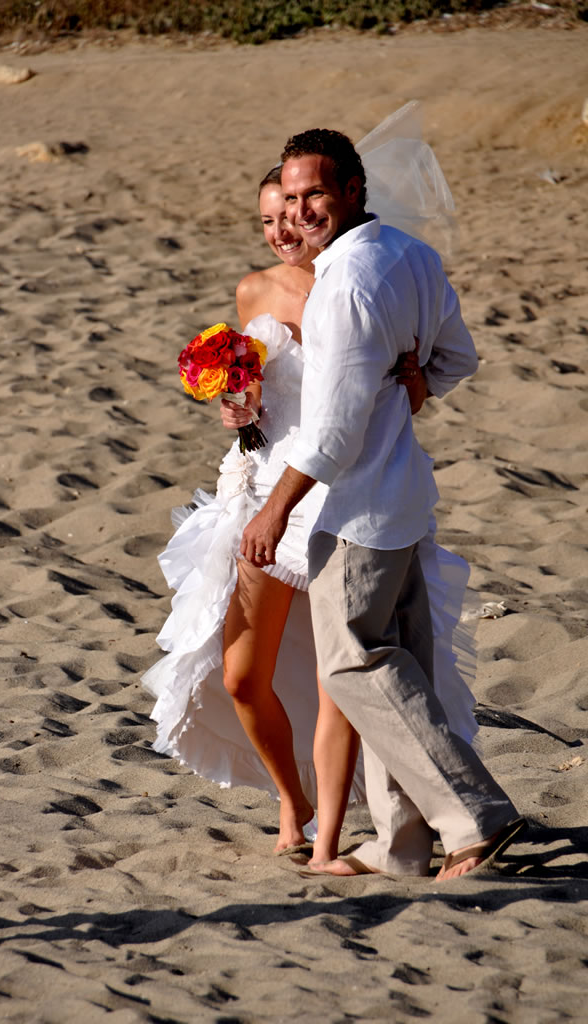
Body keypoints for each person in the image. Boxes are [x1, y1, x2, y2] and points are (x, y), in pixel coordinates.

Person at [142, 107, 481, 864]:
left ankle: (327, 840)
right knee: (239, 675)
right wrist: (239, 405)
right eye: (271, 216)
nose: (283, 229)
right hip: (264, 488)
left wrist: (416, 383)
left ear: (347, 196)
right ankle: (292, 807)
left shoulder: (348, 288)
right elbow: (262, 405)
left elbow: (362, 408)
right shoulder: (255, 292)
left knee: (342, 682)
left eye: (295, 211)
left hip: (328, 501)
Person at [240, 127, 525, 881]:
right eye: (290, 197)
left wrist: (273, 512)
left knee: (358, 670)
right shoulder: (410, 254)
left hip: (357, 512)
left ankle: (477, 815)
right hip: (402, 503)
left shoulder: (347, 284)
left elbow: (332, 435)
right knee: (399, 670)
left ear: (354, 190)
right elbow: (457, 357)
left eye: (316, 196)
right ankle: (400, 845)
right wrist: (417, 380)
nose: (300, 213)